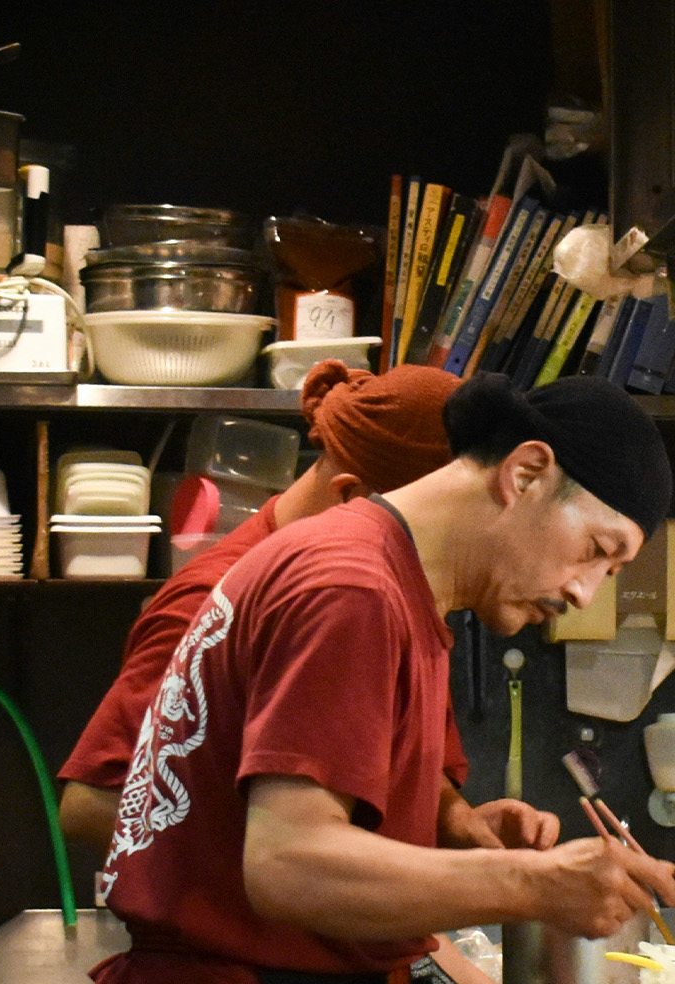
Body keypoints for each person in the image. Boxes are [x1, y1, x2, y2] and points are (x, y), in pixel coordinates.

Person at [88, 374, 675, 984]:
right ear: (525, 473)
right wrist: (537, 884)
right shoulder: (351, 589)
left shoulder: (392, 585)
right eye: (599, 550)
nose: (586, 593)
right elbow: (290, 867)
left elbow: (349, 902)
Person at [57, 361, 547, 858]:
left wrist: (453, 819)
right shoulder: (215, 601)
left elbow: (400, 762)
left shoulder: (406, 592)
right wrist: (292, 864)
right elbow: (93, 805)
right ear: (354, 498)